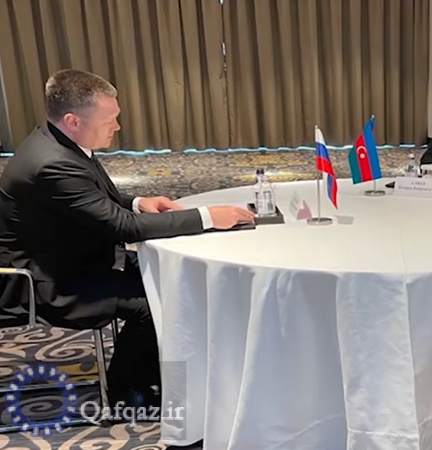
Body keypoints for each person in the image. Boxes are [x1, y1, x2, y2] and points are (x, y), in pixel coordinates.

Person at [0, 69, 255, 406]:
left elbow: (90, 200)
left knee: (172, 276)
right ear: (73, 121)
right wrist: (207, 217)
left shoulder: (57, 141)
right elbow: (124, 228)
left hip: (73, 254)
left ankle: (152, 369)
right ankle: (127, 391)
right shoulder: (53, 164)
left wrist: (137, 202)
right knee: (157, 301)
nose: (117, 127)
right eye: (109, 120)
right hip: (47, 280)